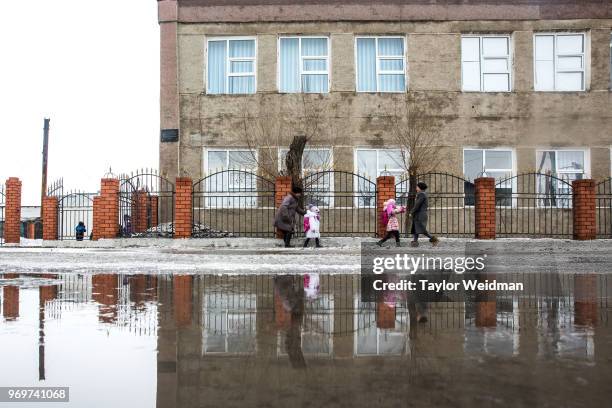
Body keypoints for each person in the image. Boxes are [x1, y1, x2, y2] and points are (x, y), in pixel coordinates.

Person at [410, 182, 439, 247]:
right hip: (419, 214)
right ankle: (415, 242)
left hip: (420, 215)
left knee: (422, 229)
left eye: (417, 187)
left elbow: (417, 204)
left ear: (420, 187)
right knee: (415, 228)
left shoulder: (421, 194)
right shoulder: (422, 194)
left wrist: (412, 212)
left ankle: (434, 239)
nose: (416, 188)